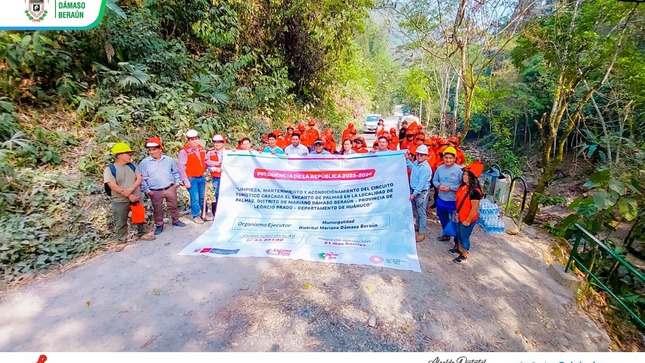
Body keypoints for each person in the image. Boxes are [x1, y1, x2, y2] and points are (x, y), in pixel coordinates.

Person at [104, 142, 155, 252]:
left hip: (135, 197)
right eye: (128, 154)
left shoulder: (132, 166)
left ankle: (143, 233)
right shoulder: (110, 169)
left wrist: (131, 190)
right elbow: (112, 185)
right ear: (120, 155)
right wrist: (128, 194)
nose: (131, 156)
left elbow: (139, 178)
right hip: (119, 200)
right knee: (120, 221)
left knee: (140, 217)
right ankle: (121, 241)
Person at [139, 137, 186, 235]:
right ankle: (159, 225)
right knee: (157, 209)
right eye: (150, 150)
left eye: (154, 149)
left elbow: (175, 172)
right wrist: (147, 190)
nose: (152, 152)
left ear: (160, 149)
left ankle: (175, 220)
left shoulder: (169, 160)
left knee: (173, 205)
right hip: (155, 190)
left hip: (170, 187)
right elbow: (143, 178)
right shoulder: (144, 163)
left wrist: (177, 183)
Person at [450, 161, 484, 263]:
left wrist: (468, 220)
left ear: (472, 177)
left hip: (467, 218)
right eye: (464, 174)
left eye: (466, 175)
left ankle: (464, 254)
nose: (464, 176)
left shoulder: (474, 192)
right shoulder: (463, 186)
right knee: (459, 234)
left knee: (464, 237)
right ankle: (459, 249)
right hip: (460, 216)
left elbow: (474, 209)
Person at [178, 129, 212, 224]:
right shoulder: (184, 151)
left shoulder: (201, 148)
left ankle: (204, 213)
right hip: (191, 178)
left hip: (200, 177)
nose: (195, 141)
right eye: (192, 139)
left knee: (202, 197)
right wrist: (185, 181)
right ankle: (196, 215)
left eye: (196, 139)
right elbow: (181, 167)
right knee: (195, 198)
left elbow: (206, 161)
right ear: (188, 140)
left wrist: (218, 163)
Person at [432, 146, 463, 241]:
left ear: (455, 159)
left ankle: (457, 241)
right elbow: (434, 180)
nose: (448, 160)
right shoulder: (440, 168)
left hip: (453, 201)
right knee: (443, 218)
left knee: (456, 220)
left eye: (450, 158)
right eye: (446, 158)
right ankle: (446, 234)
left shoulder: (460, 170)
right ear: (443, 158)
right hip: (441, 199)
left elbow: (462, 185)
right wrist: (438, 186)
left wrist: (451, 188)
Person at [406, 144, 432, 242]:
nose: (419, 156)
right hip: (414, 190)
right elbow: (412, 167)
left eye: (422, 155)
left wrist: (414, 194)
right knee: (416, 210)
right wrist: (406, 160)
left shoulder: (425, 168)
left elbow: (421, 183)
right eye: (418, 154)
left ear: (426, 156)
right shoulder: (417, 163)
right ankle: (417, 225)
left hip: (421, 193)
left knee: (421, 212)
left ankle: (422, 232)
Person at [206, 134, 229, 215]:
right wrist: (215, 169)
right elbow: (207, 164)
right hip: (216, 177)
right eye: (215, 142)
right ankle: (219, 212)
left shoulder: (229, 152)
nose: (217, 144)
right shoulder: (210, 153)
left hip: (228, 178)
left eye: (219, 142)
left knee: (228, 194)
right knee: (218, 193)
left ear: (223, 143)